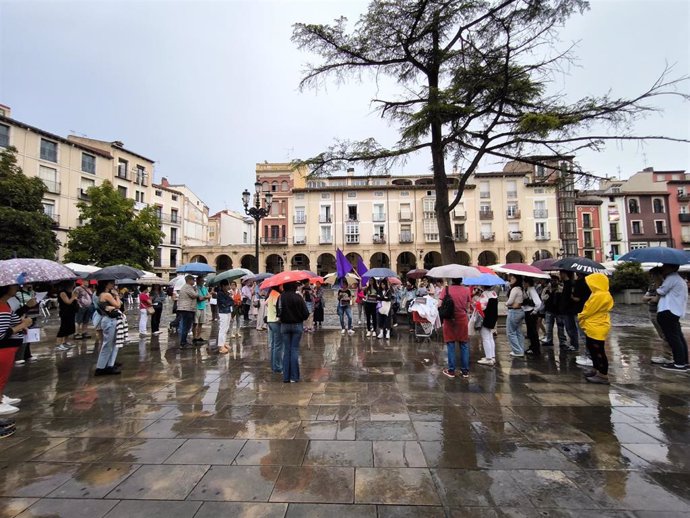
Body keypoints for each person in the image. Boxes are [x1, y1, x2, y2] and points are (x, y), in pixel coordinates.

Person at [0, 284, 33, 420]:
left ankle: (1, 396)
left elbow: (13, 319)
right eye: (13, 286)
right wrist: (21, 326)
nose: (16, 288)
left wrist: (22, 320)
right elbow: (1, 334)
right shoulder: (1, 308)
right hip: (4, 349)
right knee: (1, 375)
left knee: (4, 375)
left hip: (9, 348)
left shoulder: (5, 305)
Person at [579, 273, 614, 384]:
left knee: (598, 350)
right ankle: (596, 369)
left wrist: (581, 316)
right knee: (593, 349)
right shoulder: (598, 294)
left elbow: (589, 309)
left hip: (597, 326)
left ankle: (603, 375)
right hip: (594, 325)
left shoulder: (600, 295)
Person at [656, 264, 689, 372]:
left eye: (665, 266)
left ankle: (679, 363)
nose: (663, 268)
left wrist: (658, 281)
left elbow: (661, 291)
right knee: (678, 337)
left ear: (671, 268)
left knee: (673, 338)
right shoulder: (679, 279)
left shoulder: (671, 278)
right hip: (675, 311)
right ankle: (683, 361)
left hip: (668, 310)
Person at [439, 278, 471, 378]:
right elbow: (468, 306)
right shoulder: (466, 290)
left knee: (451, 344)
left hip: (449, 320)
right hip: (462, 319)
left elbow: (440, 304)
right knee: (464, 344)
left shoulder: (446, 289)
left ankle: (451, 370)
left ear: (452, 279)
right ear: (461, 280)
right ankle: (465, 371)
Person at [279, 282, 309, 383]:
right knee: (294, 350)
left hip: (284, 326)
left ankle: (286, 377)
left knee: (286, 350)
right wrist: (299, 317)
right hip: (297, 325)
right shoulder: (298, 297)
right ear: (294, 287)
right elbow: (306, 313)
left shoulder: (280, 297)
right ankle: (294, 377)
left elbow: (278, 311)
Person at [94, 280, 123, 375]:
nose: (113, 285)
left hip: (108, 319)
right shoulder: (106, 295)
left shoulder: (103, 294)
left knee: (110, 343)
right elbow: (118, 305)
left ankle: (107, 365)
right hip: (109, 320)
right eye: (111, 283)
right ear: (106, 284)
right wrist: (117, 296)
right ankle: (101, 367)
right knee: (108, 344)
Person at [643, 267, 669, 363]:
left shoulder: (663, 285)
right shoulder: (652, 285)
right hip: (652, 312)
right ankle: (666, 356)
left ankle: (668, 357)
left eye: (653, 275)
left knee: (666, 335)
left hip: (660, 312)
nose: (651, 277)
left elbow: (656, 299)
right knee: (662, 335)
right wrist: (651, 298)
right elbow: (644, 298)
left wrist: (650, 298)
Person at [13, 284, 39, 365]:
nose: (16, 287)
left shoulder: (15, 297)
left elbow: (19, 310)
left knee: (26, 338)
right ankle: (18, 357)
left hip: (24, 318)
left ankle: (26, 355)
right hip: (17, 321)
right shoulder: (17, 295)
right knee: (19, 338)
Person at [541, 274, 568, 349]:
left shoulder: (561, 289)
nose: (553, 282)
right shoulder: (546, 289)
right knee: (549, 327)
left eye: (555, 280)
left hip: (559, 311)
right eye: (552, 280)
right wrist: (549, 294)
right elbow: (543, 298)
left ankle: (562, 342)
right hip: (549, 310)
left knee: (561, 327)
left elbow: (564, 299)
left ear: (558, 281)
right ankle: (549, 341)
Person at [476, 286, 499, 366]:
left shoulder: (485, 294)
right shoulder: (494, 293)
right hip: (492, 318)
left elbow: (482, 307)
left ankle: (488, 358)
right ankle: (492, 357)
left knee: (485, 338)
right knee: (490, 337)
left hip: (485, 318)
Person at [506, 274, 525, 358]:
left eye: (513, 278)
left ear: (517, 279)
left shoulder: (515, 289)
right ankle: (521, 349)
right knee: (518, 332)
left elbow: (510, 301)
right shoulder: (521, 289)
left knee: (510, 332)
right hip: (520, 311)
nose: (511, 279)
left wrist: (506, 304)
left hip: (514, 311)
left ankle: (517, 351)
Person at [559, 271, 579, 353]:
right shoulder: (566, 284)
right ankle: (573, 344)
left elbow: (570, 297)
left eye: (561, 273)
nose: (560, 275)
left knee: (571, 328)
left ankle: (574, 345)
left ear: (564, 274)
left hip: (569, 310)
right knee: (569, 328)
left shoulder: (570, 284)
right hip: (565, 310)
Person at [55, 281, 78, 352]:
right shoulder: (62, 292)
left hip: (71, 312)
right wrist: (73, 297)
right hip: (65, 312)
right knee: (63, 327)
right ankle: (58, 344)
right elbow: (68, 302)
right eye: (73, 283)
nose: (74, 284)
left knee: (69, 327)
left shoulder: (71, 292)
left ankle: (65, 342)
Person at [523, 277, 542, 356]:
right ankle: (532, 347)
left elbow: (538, 302)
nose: (523, 284)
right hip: (528, 311)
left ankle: (535, 348)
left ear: (527, 283)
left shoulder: (531, 290)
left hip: (531, 312)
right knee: (530, 331)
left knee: (533, 331)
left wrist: (534, 311)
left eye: (524, 283)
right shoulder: (528, 290)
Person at [176, 275, 198, 348]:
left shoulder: (187, 287)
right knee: (186, 326)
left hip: (187, 309)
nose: (194, 281)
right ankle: (183, 343)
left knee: (187, 326)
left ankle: (184, 341)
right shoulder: (187, 287)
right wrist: (196, 290)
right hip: (187, 309)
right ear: (189, 280)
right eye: (193, 280)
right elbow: (194, 295)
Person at [266, 286, 283, 372]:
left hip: (270, 321)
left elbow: (266, 303)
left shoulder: (271, 293)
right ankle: (278, 366)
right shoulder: (276, 295)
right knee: (278, 346)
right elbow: (278, 308)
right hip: (276, 322)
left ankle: (274, 366)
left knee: (274, 345)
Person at [216, 280, 234, 354]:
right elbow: (225, 303)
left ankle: (224, 343)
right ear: (223, 286)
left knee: (226, 328)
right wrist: (229, 300)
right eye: (227, 286)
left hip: (228, 311)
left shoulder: (226, 293)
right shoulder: (220, 294)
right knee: (222, 329)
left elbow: (232, 301)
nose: (228, 287)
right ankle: (220, 346)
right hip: (223, 312)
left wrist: (229, 298)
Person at [193, 276, 210, 345]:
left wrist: (204, 297)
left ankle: (199, 336)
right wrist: (205, 297)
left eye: (203, 281)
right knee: (195, 323)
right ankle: (194, 337)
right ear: (197, 281)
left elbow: (209, 296)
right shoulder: (195, 288)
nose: (203, 282)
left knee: (201, 323)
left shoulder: (204, 288)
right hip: (196, 307)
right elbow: (199, 298)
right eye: (201, 281)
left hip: (203, 307)